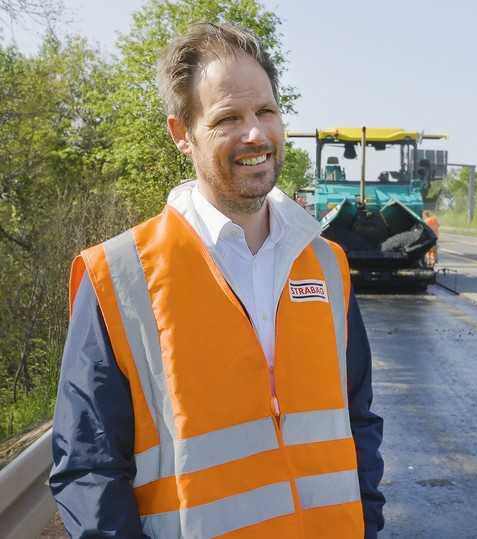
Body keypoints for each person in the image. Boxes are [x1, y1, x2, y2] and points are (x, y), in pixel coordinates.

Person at [49, 22, 384, 538]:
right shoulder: (118, 276)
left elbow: (357, 421)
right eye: (228, 117)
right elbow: (89, 467)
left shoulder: (327, 263)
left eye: (266, 111)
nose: (256, 134)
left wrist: (369, 525)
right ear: (182, 133)